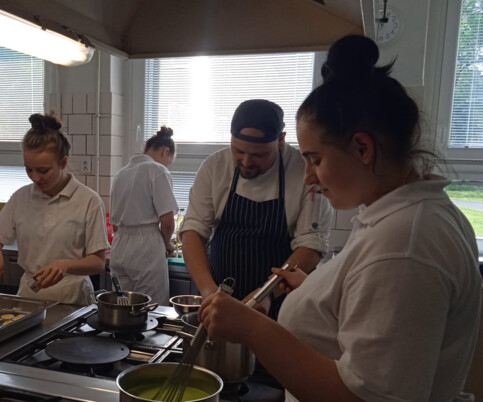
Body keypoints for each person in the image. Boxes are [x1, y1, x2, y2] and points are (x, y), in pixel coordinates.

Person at [200, 35, 482, 402]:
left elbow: (366, 397)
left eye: (315, 160)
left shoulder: (404, 246)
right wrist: (319, 292)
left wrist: (252, 328)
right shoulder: (400, 218)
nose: (309, 177)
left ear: (363, 149)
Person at [180, 99, 332, 318]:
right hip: (218, 295)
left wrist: (265, 295)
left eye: (258, 155)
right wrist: (208, 291)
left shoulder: (304, 171)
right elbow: (193, 231)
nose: (246, 161)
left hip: (278, 302)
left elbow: (311, 245)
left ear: (280, 140)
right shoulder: (215, 166)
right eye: (238, 151)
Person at [0, 113, 109, 305]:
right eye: (28, 169)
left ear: (63, 162)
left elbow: (98, 262)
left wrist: (66, 265)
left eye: (43, 170)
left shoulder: (88, 201)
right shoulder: (21, 198)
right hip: (29, 297)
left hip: (73, 299)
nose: (35, 178)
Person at [109, 125, 179, 305]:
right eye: (169, 161)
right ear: (165, 151)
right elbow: (168, 223)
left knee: (121, 306)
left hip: (119, 246)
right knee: (151, 307)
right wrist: (166, 243)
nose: (167, 165)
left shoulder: (121, 173)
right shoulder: (158, 170)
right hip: (146, 249)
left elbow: (115, 225)